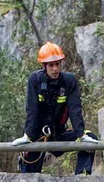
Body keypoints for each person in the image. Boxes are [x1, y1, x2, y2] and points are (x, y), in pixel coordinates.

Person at [12, 42, 99, 174]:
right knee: (30, 175)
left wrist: (80, 134)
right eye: (51, 65)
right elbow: (32, 109)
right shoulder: (35, 80)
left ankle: (82, 177)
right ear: (44, 65)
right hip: (38, 136)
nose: (55, 69)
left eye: (57, 64)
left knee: (90, 139)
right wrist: (28, 136)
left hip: (60, 134)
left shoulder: (68, 81)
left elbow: (75, 109)